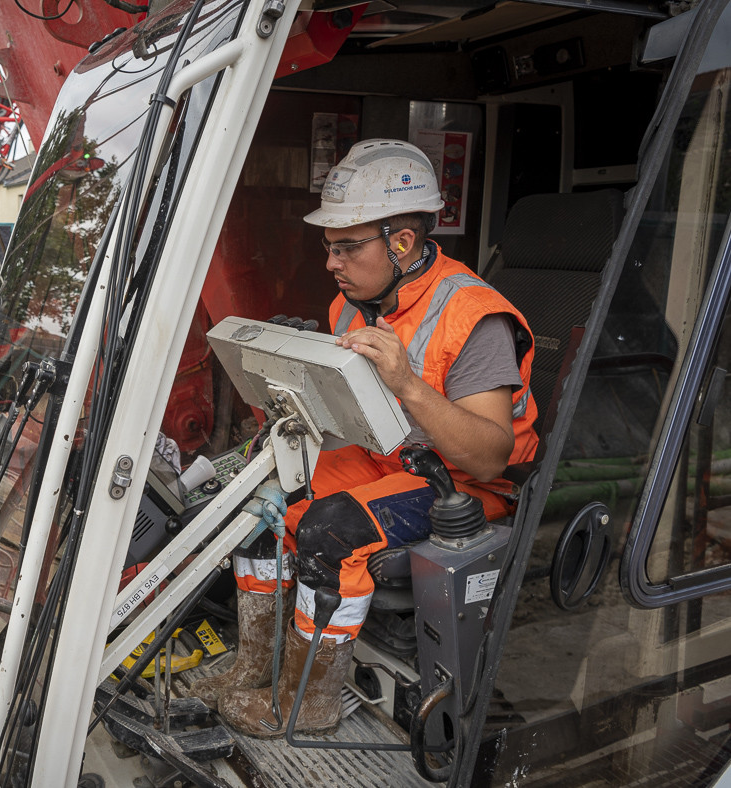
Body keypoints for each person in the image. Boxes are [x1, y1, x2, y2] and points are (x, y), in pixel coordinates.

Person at [193, 139, 539, 738]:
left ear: (401, 243)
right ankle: (254, 668)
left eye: (347, 247)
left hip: (462, 486)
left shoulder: (476, 319)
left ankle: (307, 699)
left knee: (332, 530)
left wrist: (407, 381)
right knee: (260, 493)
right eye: (330, 247)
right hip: (389, 460)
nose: (332, 263)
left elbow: (490, 455)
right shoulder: (351, 306)